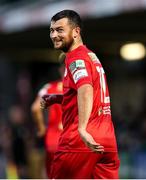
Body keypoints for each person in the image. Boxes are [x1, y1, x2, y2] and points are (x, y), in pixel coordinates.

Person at [41, 9, 120, 179]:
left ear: (76, 31)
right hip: (106, 139)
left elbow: (85, 89)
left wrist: (82, 129)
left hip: (79, 140)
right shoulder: (91, 56)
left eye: (60, 30)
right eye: (51, 30)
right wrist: (58, 98)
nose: (54, 35)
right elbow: (88, 93)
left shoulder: (75, 58)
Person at [31, 61, 64, 178]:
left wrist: (41, 129)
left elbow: (35, 108)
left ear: (61, 70)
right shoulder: (79, 89)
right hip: (73, 141)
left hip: (53, 141)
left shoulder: (50, 88)